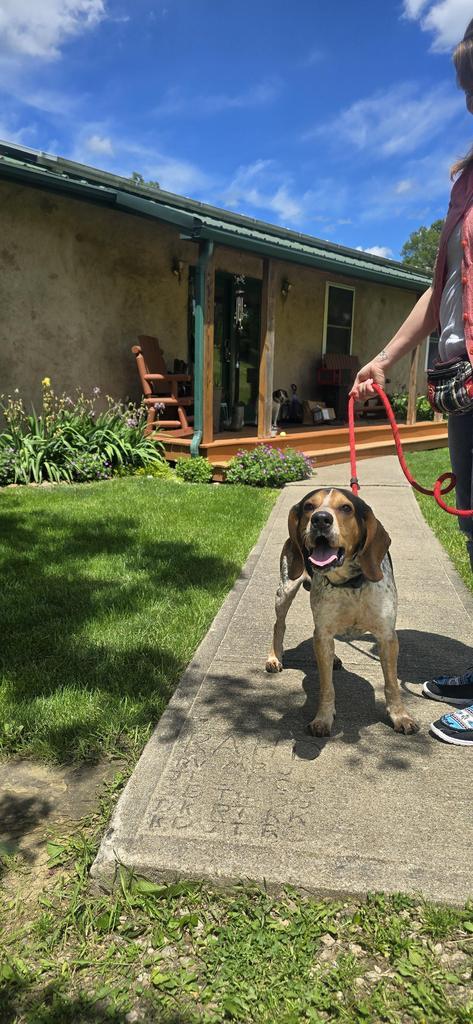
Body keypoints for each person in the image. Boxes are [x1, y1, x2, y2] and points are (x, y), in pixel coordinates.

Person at [351, 21, 473, 746]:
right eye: (464, 88)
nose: (468, 102)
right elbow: (442, 287)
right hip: (459, 377)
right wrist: (387, 356)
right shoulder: (464, 181)